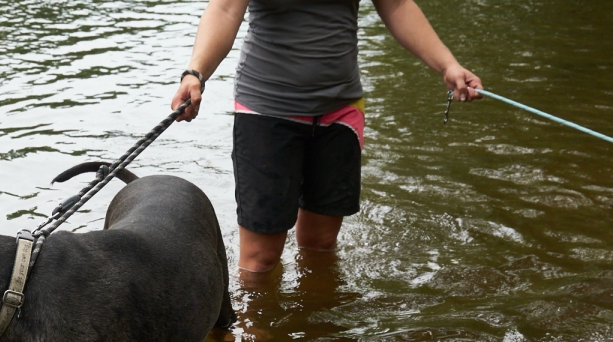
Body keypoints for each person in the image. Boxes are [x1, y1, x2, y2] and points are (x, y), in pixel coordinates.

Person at [172, 0, 481, 276]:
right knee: (260, 258)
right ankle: (259, 338)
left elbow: (397, 6)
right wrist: (195, 73)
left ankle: (318, 332)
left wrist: (447, 65)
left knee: (320, 246)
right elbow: (225, 9)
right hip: (266, 111)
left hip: (341, 113)